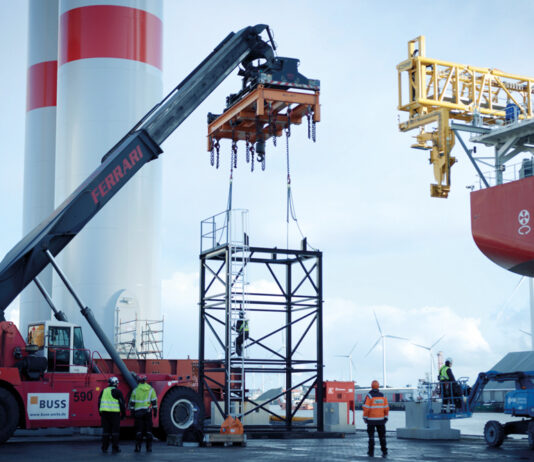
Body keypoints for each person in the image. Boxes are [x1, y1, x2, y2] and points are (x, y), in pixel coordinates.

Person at [129, 374, 158, 452]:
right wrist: (155, 411)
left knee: (139, 431)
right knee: (148, 430)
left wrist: (132, 412)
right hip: (147, 412)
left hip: (138, 413)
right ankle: (149, 448)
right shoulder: (151, 390)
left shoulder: (135, 390)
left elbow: (132, 403)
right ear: (145, 380)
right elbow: (154, 402)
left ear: (138, 381)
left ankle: (138, 448)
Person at [98, 376, 126, 453]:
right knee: (115, 432)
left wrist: (100, 412)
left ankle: (104, 448)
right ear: (115, 383)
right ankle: (115, 448)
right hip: (114, 414)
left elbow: (99, 402)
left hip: (104, 414)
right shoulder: (117, 392)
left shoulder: (103, 391)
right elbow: (122, 404)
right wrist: (123, 414)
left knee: (106, 432)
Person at [363, 380, 389, 458]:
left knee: (371, 437)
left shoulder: (369, 396)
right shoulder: (383, 396)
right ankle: (384, 451)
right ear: (378, 386)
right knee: (382, 437)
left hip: (371, 421)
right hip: (381, 421)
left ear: (371, 386)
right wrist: (386, 417)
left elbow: (366, 408)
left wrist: (365, 417)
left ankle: (371, 452)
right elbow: (386, 408)